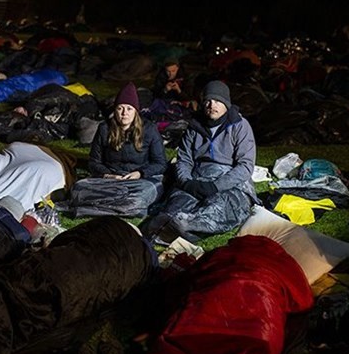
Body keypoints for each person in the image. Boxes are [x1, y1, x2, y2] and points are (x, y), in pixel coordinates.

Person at [144, 80, 257, 240]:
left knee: (219, 208)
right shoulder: (194, 126)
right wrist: (186, 182)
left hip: (228, 182)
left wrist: (215, 186)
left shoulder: (239, 126)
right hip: (197, 177)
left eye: (218, 101)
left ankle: (186, 228)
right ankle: (168, 228)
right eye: (208, 101)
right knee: (174, 207)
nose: (212, 105)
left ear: (226, 103)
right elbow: (184, 159)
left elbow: (245, 166)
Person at [66, 82, 167, 218]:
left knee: (146, 193)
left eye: (129, 109)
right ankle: (129, 208)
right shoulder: (104, 128)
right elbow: (94, 162)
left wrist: (140, 173)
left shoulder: (149, 129)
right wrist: (108, 175)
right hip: (111, 180)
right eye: (120, 108)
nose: (124, 113)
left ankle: (88, 209)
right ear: (115, 110)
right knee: (78, 189)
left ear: (136, 111)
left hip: (139, 181)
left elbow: (160, 163)